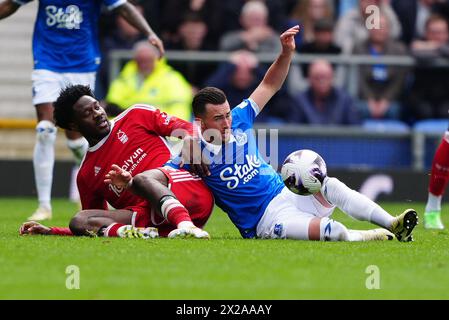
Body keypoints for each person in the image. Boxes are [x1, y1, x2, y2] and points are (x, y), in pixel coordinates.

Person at [107, 25, 418, 242]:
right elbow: (159, 178)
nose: (227, 122)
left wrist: (285, 53)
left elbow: (269, 85)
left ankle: (391, 223)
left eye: (227, 114)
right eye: (218, 119)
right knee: (333, 233)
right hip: (264, 222)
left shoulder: (240, 118)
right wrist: (132, 182)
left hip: (285, 195)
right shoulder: (192, 152)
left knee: (329, 183)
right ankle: (369, 237)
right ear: (200, 123)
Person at [0, 0, 164, 221]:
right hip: (47, 61)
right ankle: (44, 206)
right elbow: (10, 4)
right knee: (45, 130)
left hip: (82, 63)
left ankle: (82, 163)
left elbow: (123, 6)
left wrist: (149, 32)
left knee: (76, 139)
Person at [20, 84, 213, 239]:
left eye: (96, 106)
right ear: (74, 126)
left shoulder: (136, 115)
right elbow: (94, 223)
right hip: (151, 220)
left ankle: (186, 225)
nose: (97, 113)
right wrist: (52, 231)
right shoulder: (86, 174)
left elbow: (187, 126)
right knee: (79, 220)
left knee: (140, 180)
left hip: (186, 194)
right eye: (87, 113)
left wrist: (189, 138)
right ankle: (135, 234)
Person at [106, 41, 193, 120]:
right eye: (141, 60)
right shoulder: (124, 79)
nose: (144, 64)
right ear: (135, 60)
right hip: (128, 129)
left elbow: (180, 110)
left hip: (161, 130)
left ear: (157, 59)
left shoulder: (173, 79)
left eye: (148, 60)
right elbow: (112, 107)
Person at [291, 59, 360, 125]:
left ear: (332, 77)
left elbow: (356, 130)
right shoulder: (299, 100)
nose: (322, 81)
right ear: (309, 78)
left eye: (325, 77)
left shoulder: (345, 100)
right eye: (317, 77)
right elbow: (292, 131)